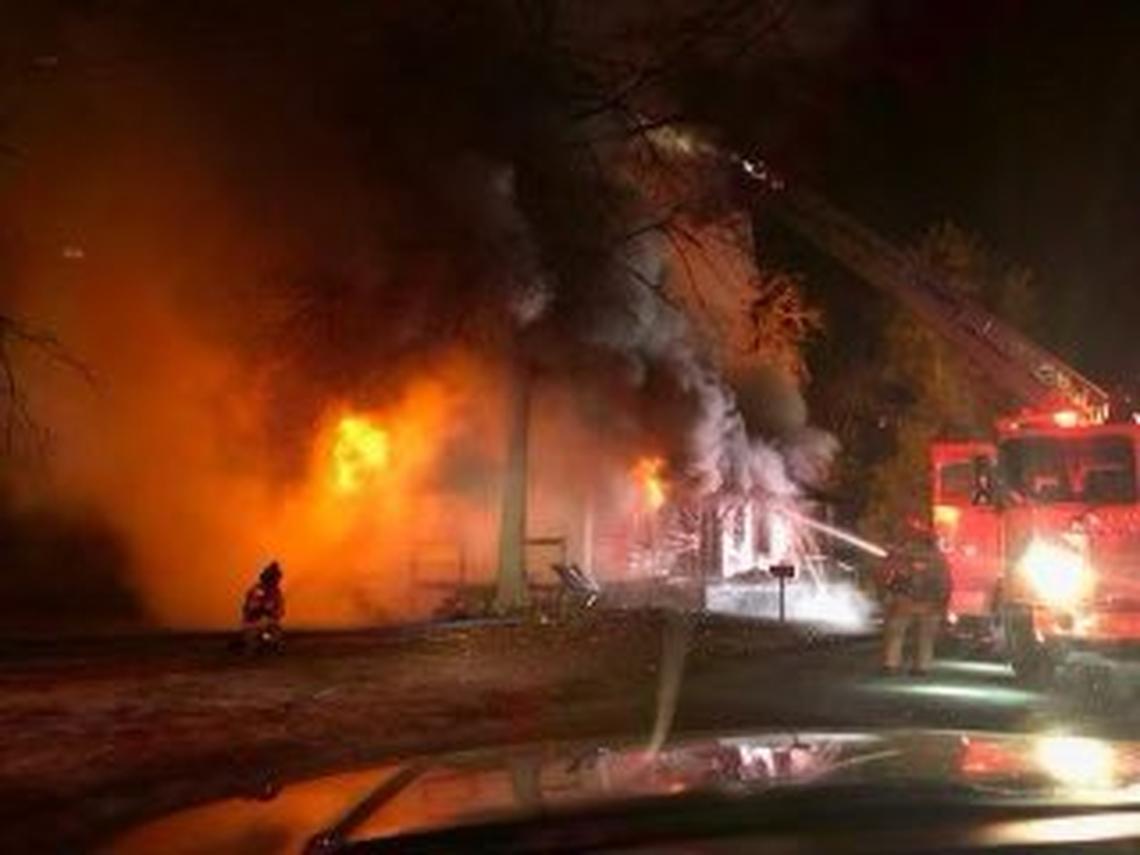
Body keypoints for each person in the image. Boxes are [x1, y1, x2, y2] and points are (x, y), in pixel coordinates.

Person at [877, 520, 951, 676]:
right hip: (930, 604)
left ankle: (891, 664)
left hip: (904, 601)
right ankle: (922, 667)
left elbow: (889, 576)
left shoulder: (902, 554)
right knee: (926, 638)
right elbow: (945, 583)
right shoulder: (940, 559)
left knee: (896, 634)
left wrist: (888, 596)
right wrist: (943, 603)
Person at [241, 561, 285, 653]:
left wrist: (276, 612)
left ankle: (269, 642)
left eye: (277, 579)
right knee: (254, 645)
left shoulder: (277, 592)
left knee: (275, 638)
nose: (276, 581)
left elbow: (280, 610)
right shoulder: (258, 590)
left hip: (269, 623)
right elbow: (252, 607)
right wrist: (264, 608)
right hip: (254, 623)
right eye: (274, 579)